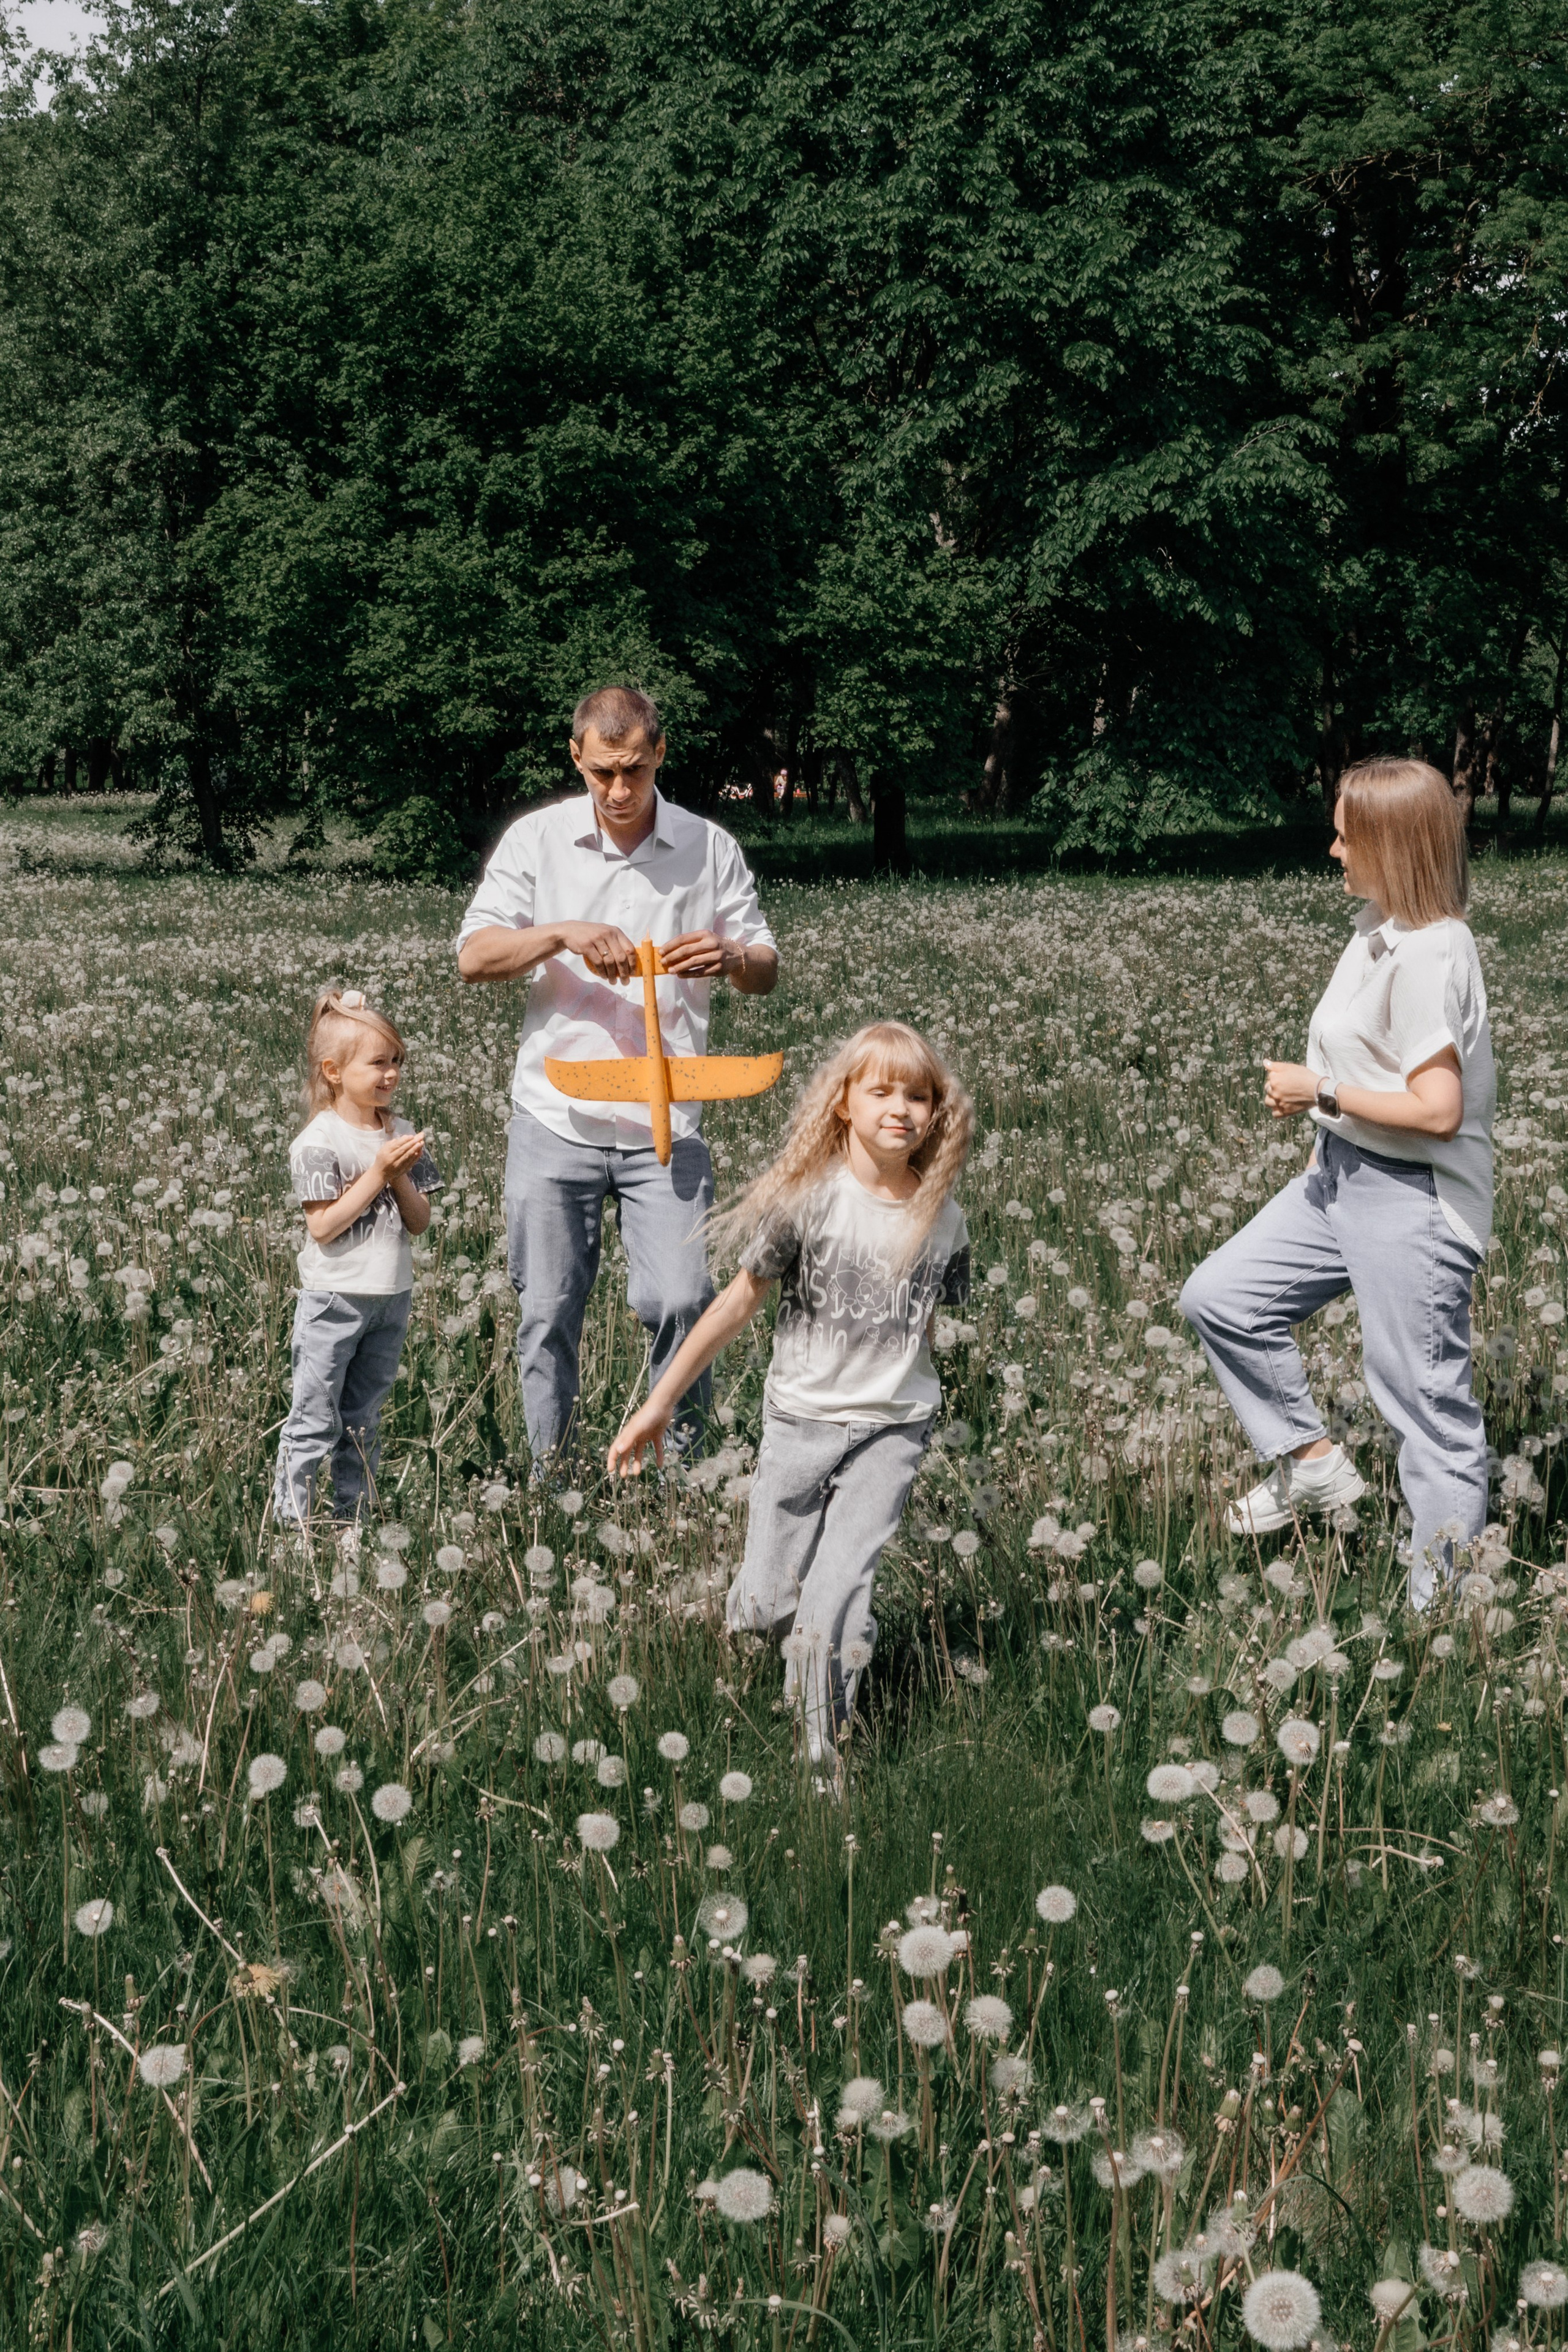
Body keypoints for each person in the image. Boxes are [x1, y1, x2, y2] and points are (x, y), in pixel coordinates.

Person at [608, 1022, 973, 1779]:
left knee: (839, 1595)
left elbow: (928, 1323)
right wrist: (660, 1403)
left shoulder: (945, 1219)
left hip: (893, 1431)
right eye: (880, 1091)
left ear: (936, 1112)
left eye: (918, 1095)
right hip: (800, 1423)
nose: (900, 1108)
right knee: (770, 1602)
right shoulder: (809, 1203)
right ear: (843, 1103)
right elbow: (736, 1306)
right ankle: (770, 1630)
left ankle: (819, 1754)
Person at [1179, 757, 1495, 1606]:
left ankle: (1446, 1606)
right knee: (1221, 1297)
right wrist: (1329, 1134)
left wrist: (1318, 1090)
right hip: (1342, 1176)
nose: (1332, 849)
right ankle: (1310, 1463)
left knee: (1423, 1403)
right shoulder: (1373, 929)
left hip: (1413, 1199)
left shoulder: (1433, 951)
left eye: (1347, 836)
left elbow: (1437, 1110)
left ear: (1393, 845)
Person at [456, 686, 778, 1466]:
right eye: (602, 773)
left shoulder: (709, 847)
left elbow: (765, 965)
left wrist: (732, 958)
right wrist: (560, 934)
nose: (620, 790)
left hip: (668, 1124)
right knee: (547, 1313)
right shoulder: (536, 841)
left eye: (634, 769)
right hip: (553, 1116)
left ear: (660, 753)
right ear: (576, 758)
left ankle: (679, 1476)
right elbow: (473, 957)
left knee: (680, 1300)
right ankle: (553, 1479)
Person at [274, 987, 442, 1531]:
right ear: (334, 1070)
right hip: (333, 1300)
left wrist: (397, 1177)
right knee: (314, 1420)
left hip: (391, 1300)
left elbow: (419, 1222)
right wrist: (377, 1175)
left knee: (363, 1421)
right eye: (378, 1063)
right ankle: (291, 1528)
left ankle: (352, 1524)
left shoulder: (401, 1133)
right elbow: (322, 1226)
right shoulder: (318, 1140)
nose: (391, 1074)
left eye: (397, 1062)